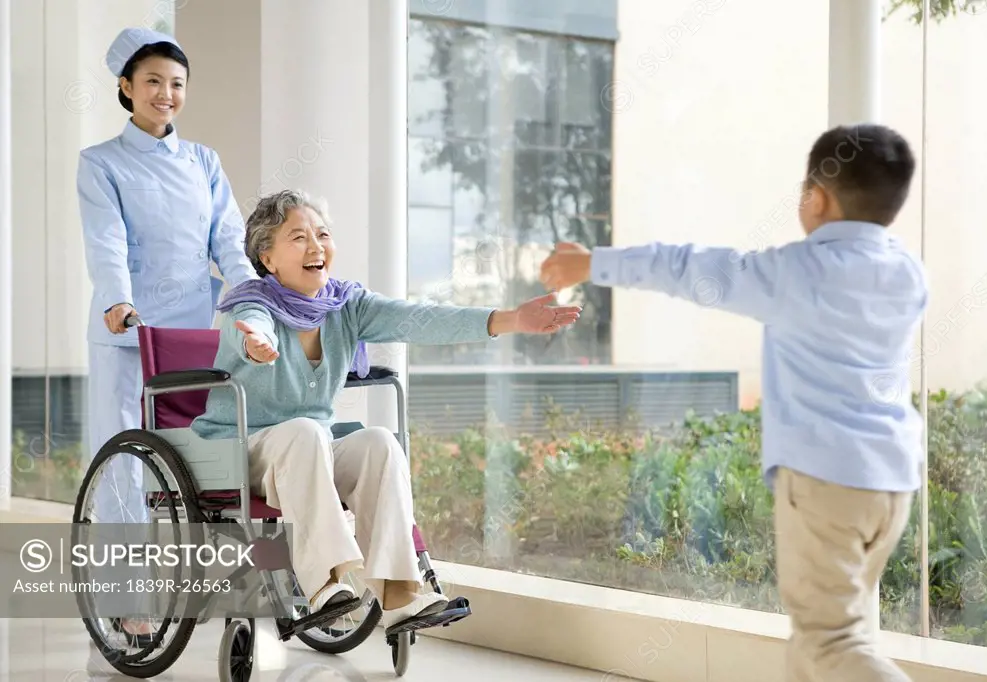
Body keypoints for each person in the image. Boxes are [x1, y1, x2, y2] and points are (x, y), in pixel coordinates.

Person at [539, 124, 926, 682]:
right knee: (826, 645)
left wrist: (591, 264)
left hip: (826, 483)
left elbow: (691, 268)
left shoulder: (797, 274)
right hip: (891, 482)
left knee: (829, 645)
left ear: (815, 199)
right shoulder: (908, 274)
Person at [191, 188, 582, 628]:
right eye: (299, 237)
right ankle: (323, 585)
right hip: (239, 448)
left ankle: (398, 597)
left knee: (377, 442)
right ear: (268, 257)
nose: (316, 246)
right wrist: (254, 343)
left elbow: (420, 317)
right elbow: (252, 326)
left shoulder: (346, 306)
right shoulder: (250, 304)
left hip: (308, 448)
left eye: (322, 234)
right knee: (304, 432)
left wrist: (509, 319)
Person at [77, 27, 257, 528]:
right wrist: (117, 300)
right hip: (127, 330)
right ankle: (126, 593)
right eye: (153, 81)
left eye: (177, 84)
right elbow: (106, 240)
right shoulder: (100, 162)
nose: (166, 95)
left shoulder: (203, 161)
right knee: (122, 459)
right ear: (126, 86)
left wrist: (248, 301)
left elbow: (228, 238)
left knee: (196, 454)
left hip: (191, 331)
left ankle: (213, 572)